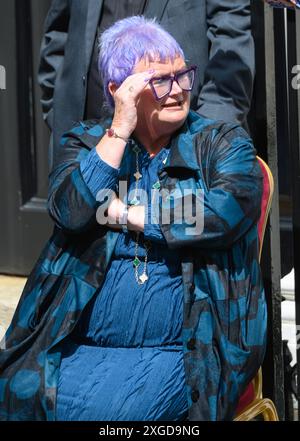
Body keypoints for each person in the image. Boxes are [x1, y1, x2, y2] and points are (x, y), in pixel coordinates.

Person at [0, 16, 267, 421]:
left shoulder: (221, 143)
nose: (178, 91)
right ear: (120, 90)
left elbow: (224, 212)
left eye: (184, 75)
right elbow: (70, 212)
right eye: (160, 81)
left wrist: (130, 214)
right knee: (17, 392)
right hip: (72, 338)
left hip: (184, 346)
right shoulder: (86, 142)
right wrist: (119, 132)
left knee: (119, 412)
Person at [38, 0, 255, 170]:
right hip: (86, 146)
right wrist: (59, 115)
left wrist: (205, 140)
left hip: (181, 152)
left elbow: (231, 48)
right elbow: (58, 32)